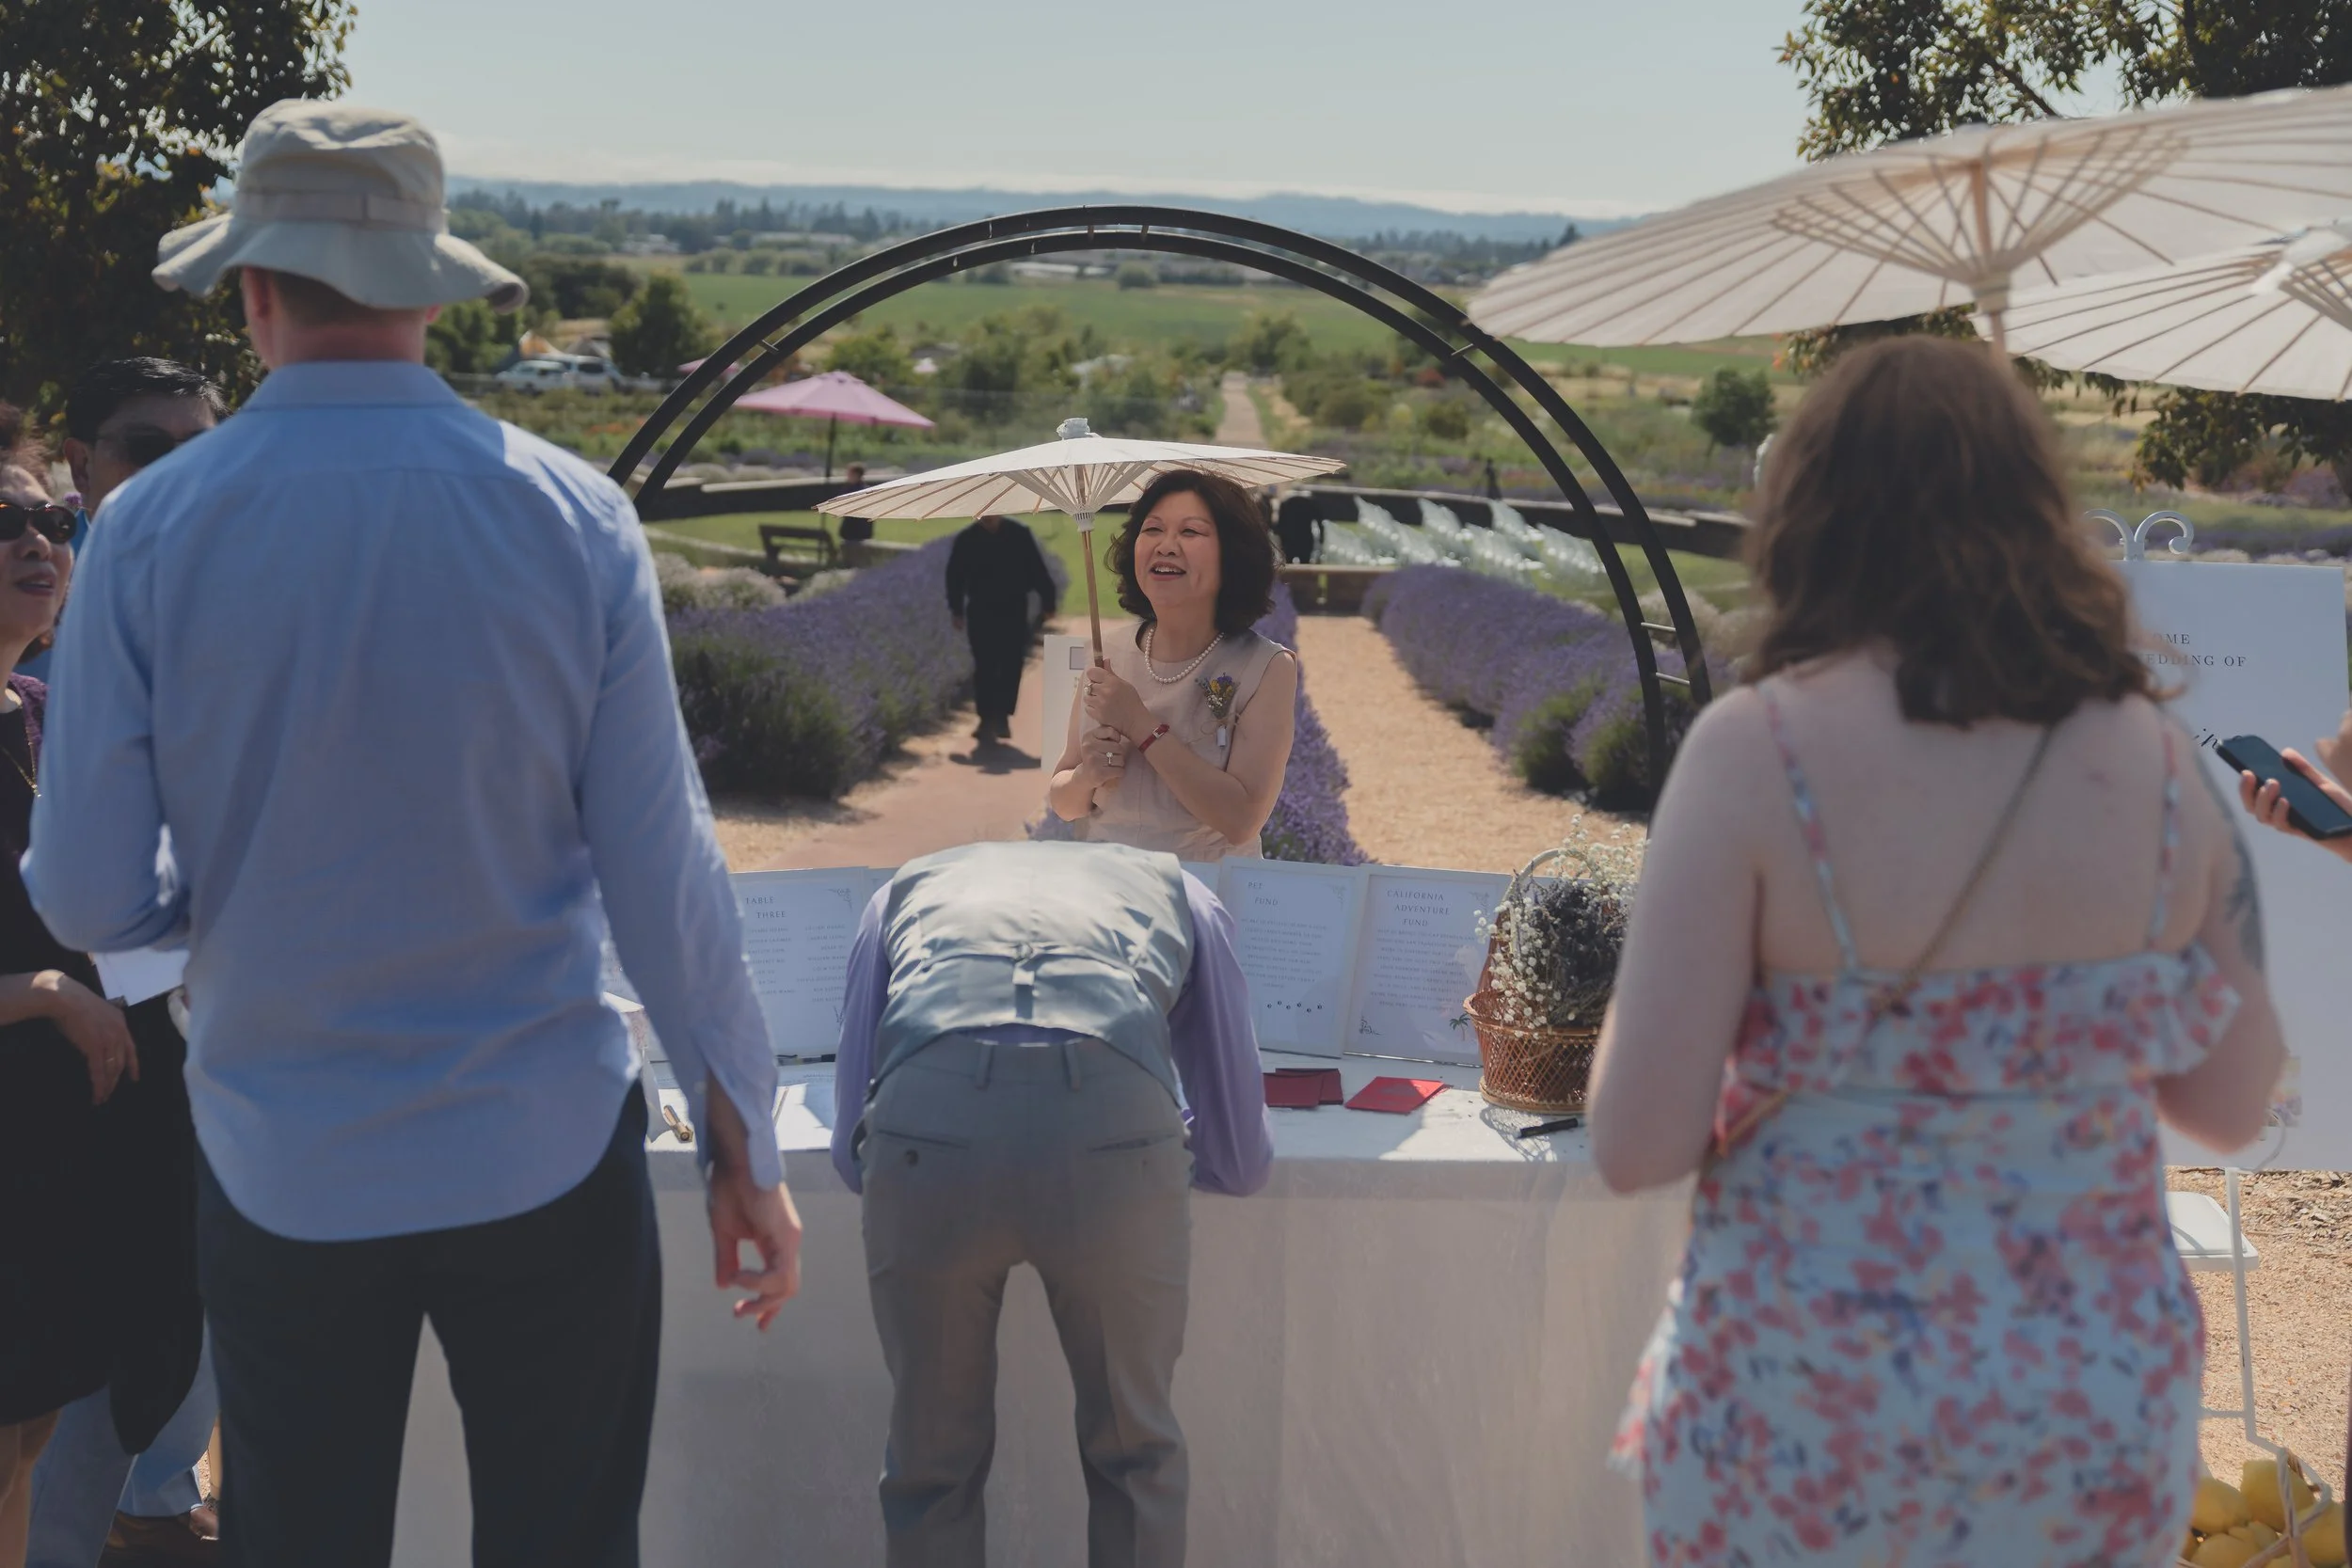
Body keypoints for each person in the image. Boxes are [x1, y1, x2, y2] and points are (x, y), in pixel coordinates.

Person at [23, 101, 803, 1568]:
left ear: (250, 291)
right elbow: (664, 874)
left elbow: (82, 886)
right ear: (437, 290)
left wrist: (220, 890)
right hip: (545, 1139)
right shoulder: (574, 518)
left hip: (278, 1151)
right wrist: (742, 1138)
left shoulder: (146, 529)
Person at [1586, 336, 2286, 1566]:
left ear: (1811, 510)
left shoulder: (1757, 752)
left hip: (1807, 1401)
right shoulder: (2161, 764)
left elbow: (1637, 1139)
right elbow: (2233, 1102)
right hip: (2085, 1411)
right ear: (2038, 508)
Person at [830, 839, 1273, 1567]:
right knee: (1137, 1459)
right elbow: (1240, 1159)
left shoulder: (902, 889)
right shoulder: (1184, 893)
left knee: (929, 1463)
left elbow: (852, 1152)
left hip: (929, 1132)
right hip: (1110, 1131)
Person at [27, 359, 229, 1568]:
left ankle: (150, 1503)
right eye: (144, 446)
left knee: (182, 1316)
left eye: (200, 442)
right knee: (108, 1332)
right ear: (85, 465)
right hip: (103, 1030)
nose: (178, 468)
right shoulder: (60, 605)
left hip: (204, 1020)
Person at [0, 467, 198, 1568]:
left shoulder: (38, 716)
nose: (40, 542)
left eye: (55, 521)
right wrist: (44, 994)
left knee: (25, 1443)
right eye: (2, 524)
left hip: (55, 1160)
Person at [1049, 470, 1297, 860]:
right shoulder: (1104, 652)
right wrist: (1086, 776)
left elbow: (1241, 820)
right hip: (1106, 892)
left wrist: (1141, 726)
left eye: (1190, 532)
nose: (1166, 546)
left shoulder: (1266, 668)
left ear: (1232, 554)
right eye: (1153, 529)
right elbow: (1063, 802)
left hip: (1204, 902)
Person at [946, 512, 1057, 742]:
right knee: (984, 664)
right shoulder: (967, 539)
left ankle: (1002, 717)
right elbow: (954, 576)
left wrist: (1049, 601)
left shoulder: (1019, 534)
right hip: (980, 609)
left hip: (1013, 608)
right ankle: (985, 718)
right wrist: (956, 610)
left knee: (1011, 662)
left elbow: (1037, 569)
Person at [1272, 491, 1321, 564]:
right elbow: (1319, 520)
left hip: (1289, 538)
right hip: (1305, 538)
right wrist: (1321, 538)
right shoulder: (1310, 504)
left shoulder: (1286, 503)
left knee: (1288, 564)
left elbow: (1280, 523)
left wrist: (1280, 536)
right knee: (1305, 564)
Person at [835, 462, 874, 546]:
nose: (847, 476)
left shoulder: (860, 491)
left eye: (849, 473)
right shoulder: (849, 489)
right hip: (853, 533)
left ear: (856, 475)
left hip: (856, 533)